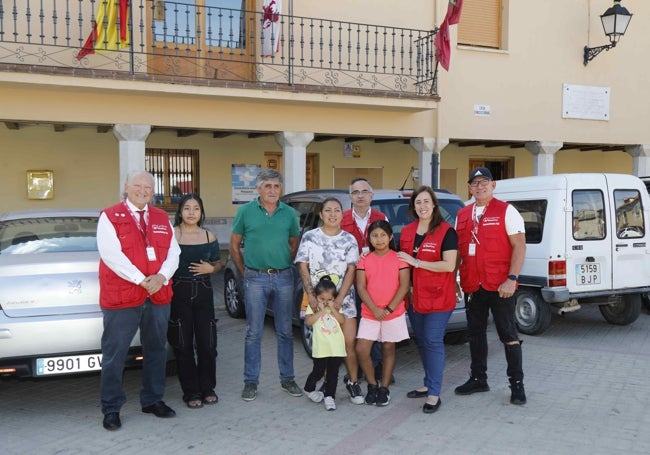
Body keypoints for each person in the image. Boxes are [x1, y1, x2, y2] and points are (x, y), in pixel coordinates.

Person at [97, 170, 181, 431]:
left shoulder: (160, 217)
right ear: (126, 187)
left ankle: (152, 400)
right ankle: (111, 408)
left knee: (156, 349)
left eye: (148, 186)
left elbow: (174, 252)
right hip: (124, 296)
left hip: (158, 294)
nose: (143, 190)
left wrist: (161, 276)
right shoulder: (109, 216)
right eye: (138, 185)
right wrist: (142, 279)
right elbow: (111, 255)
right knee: (115, 354)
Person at [454, 167, 527, 405]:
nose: (479, 186)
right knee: (475, 334)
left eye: (484, 182)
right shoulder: (463, 214)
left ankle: (516, 384)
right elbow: (459, 252)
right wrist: (456, 280)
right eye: (475, 183)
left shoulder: (507, 211)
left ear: (493, 185)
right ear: (469, 188)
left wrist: (512, 278)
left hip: (500, 286)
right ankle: (478, 378)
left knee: (508, 335)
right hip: (473, 285)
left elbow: (519, 246)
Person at [229, 168, 302, 402]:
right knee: (253, 332)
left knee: (285, 332)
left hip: (283, 277)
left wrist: (283, 265)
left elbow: (294, 243)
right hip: (255, 278)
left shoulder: (289, 213)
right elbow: (234, 245)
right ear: (258, 188)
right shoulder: (245, 212)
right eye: (268, 186)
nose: (272, 190)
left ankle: (287, 379)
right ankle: (250, 382)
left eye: (276, 186)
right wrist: (246, 272)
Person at [295, 197, 362, 404]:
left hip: (345, 300)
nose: (332, 214)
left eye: (337, 210)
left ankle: (353, 382)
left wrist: (340, 298)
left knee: (348, 342)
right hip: (318, 301)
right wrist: (312, 297)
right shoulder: (309, 237)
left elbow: (352, 269)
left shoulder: (349, 240)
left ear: (343, 214)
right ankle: (327, 384)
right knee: (325, 345)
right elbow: (303, 266)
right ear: (321, 214)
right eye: (328, 210)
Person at [397, 186, 458, 414]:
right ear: (413, 207)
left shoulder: (446, 231)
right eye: (418, 202)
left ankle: (434, 393)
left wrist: (418, 262)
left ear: (434, 205)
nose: (422, 206)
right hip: (415, 298)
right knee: (422, 341)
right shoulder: (407, 231)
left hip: (439, 298)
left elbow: (449, 265)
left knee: (432, 340)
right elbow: (399, 260)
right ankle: (427, 383)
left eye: (426, 201)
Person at [169, 194, 222, 409]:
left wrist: (212, 268)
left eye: (196, 208)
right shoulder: (171, 235)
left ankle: (208, 387)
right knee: (183, 343)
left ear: (201, 213)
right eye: (187, 208)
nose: (191, 212)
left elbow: (218, 263)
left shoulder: (209, 236)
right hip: (178, 291)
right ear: (180, 211)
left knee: (207, 343)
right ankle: (191, 391)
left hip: (204, 291)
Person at [355, 220, 410, 406]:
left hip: (392, 313)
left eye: (383, 235)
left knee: (388, 348)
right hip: (370, 312)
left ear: (390, 237)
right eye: (374, 236)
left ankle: (384, 388)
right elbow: (361, 287)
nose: (379, 239)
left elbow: (404, 286)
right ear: (369, 238)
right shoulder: (364, 259)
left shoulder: (399, 258)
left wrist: (387, 309)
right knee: (362, 349)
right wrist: (374, 309)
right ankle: (372, 385)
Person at [340, 177, 389, 384]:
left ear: (372, 195)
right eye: (355, 192)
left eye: (364, 191)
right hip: (348, 286)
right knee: (353, 330)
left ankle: (377, 368)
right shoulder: (341, 219)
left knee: (374, 329)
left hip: (374, 286)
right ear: (350, 196)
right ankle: (356, 369)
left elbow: (388, 249)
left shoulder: (380, 217)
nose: (360, 196)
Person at [302, 276, 347, 411]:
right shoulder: (313, 308)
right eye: (322, 299)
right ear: (316, 297)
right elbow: (308, 322)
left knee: (333, 373)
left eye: (329, 300)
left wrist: (333, 309)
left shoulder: (336, 308)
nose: (326, 302)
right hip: (321, 347)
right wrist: (321, 311)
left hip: (336, 347)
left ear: (334, 298)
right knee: (318, 371)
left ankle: (329, 396)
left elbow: (342, 320)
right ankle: (308, 389)